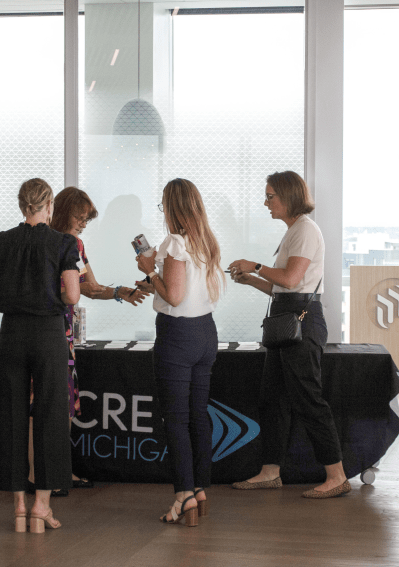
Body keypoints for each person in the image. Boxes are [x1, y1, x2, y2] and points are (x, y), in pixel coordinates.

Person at [228, 171, 350, 499]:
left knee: (308, 398)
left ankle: (336, 475)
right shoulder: (294, 231)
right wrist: (250, 279)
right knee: (273, 399)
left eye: (271, 196)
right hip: (287, 317)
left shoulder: (305, 230)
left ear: (288, 196)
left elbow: (293, 280)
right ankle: (271, 472)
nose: (266, 202)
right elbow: (282, 285)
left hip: (302, 322)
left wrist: (253, 265)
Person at [25, 187, 148, 497]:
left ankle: (48, 473)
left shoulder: (61, 243)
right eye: (79, 217)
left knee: (51, 403)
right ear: (63, 211)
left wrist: (120, 292)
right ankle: (45, 475)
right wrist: (119, 292)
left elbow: (90, 287)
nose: (83, 223)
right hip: (47, 331)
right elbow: (85, 288)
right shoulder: (55, 243)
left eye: (86, 219)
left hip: (46, 332)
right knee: (49, 403)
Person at [0, 178, 79, 533]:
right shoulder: (63, 243)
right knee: (51, 415)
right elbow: (72, 296)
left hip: (12, 334)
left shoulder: (3, 240)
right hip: (48, 334)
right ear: (49, 205)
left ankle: (19, 509)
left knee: (10, 413)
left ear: (22, 205)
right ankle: (42, 507)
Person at [136, 178, 224, 527]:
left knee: (175, 418)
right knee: (198, 415)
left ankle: (183, 495)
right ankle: (199, 489)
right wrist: (154, 275)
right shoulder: (206, 241)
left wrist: (149, 272)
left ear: (172, 207)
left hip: (178, 335)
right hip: (206, 331)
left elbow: (172, 296)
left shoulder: (175, 242)